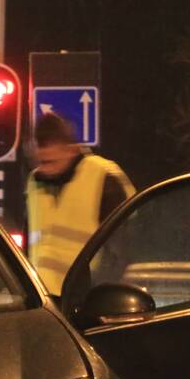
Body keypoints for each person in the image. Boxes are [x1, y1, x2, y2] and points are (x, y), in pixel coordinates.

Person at [25, 113, 135, 297]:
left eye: (51, 162)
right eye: (41, 162)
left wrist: (97, 295)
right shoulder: (34, 182)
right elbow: (30, 242)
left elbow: (121, 249)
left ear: (71, 150)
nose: (45, 169)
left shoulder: (103, 177)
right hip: (43, 302)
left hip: (84, 301)